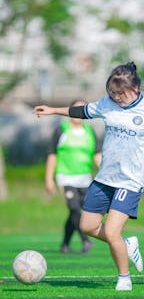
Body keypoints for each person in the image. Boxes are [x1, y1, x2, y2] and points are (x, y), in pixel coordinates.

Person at [34, 61, 144, 291]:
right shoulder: (107, 104)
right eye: (112, 93)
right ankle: (127, 245)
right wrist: (53, 110)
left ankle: (124, 278)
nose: (115, 97)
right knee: (87, 226)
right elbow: (83, 111)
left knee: (111, 231)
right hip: (104, 178)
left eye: (120, 93)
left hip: (130, 181)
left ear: (135, 88)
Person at [45, 99, 102, 254]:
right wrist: (48, 179)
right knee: (74, 208)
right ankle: (86, 240)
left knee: (76, 212)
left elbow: (97, 155)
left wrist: (106, 172)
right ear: (70, 111)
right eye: (75, 108)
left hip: (85, 179)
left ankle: (65, 244)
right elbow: (52, 155)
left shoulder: (90, 131)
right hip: (66, 177)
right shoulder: (61, 130)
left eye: (81, 109)